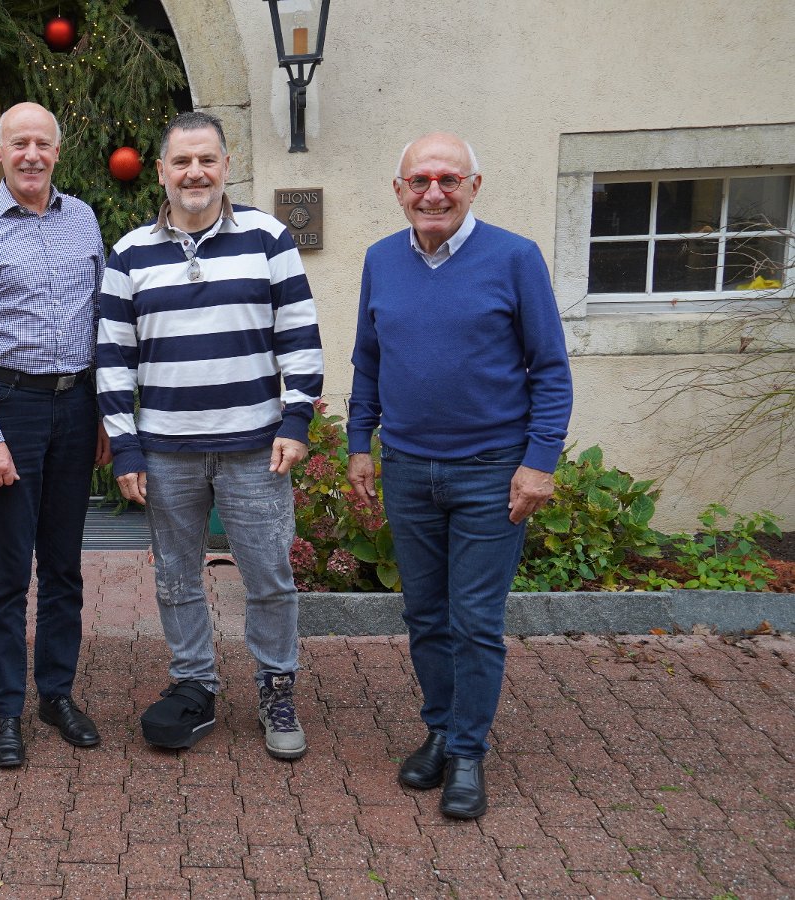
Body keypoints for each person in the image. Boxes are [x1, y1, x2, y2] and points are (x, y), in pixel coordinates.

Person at [347, 132, 573, 819]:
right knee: (424, 615)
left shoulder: (515, 257)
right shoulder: (381, 259)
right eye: (419, 180)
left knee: (473, 620)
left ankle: (469, 753)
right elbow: (368, 361)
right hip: (407, 469)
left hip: (491, 473)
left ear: (475, 186)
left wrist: (539, 463)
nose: (433, 192)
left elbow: (550, 369)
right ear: (399, 191)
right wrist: (360, 445)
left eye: (449, 179)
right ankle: (441, 730)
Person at [96, 111, 323, 755]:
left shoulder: (269, 238)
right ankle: (194, 682)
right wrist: (125, 447)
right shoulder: (129, 253)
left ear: (226, 167)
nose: (194, 173)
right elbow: (113, 357)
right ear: (161, 172)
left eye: (206, 160)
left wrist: (297, 419)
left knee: (269, 576)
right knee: (176, 577)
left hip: (256, 448)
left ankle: (276, 688)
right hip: (166, 451)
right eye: (181, 161)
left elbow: (299, 337)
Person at [0, 102, 110, 769]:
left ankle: (56, 694)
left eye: (43, 143)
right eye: (20, 144)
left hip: (77, 405)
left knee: (64, 565)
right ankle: (7, 708)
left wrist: (104, 414)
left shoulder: (84, 219)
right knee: (10, 571)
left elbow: (102, 325)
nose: (32, 155)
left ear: (57, 152)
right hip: (11, 406)